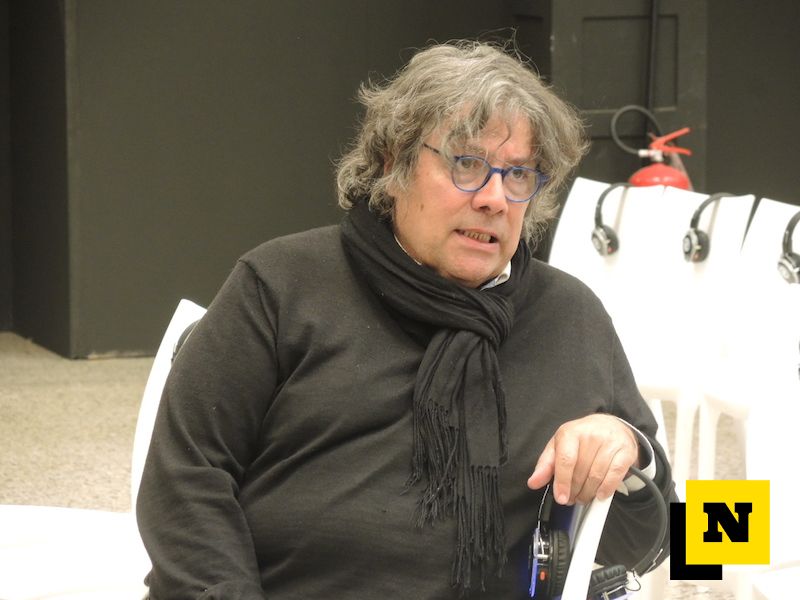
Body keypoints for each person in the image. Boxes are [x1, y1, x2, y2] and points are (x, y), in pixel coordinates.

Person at [136, 39, 677, 599]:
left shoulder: (570, 316)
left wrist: (631, 452)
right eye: (467, 163)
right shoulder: (282, 283)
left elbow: (664, 538)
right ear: (395, 162)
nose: (494, 198)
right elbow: (186, 480)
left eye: (519, 174)